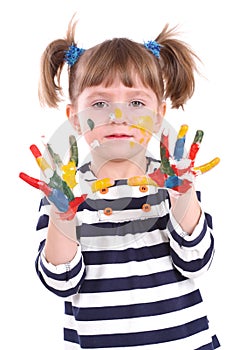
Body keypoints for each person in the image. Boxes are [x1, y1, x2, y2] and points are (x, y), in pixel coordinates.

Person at [30, 16, 220, 349]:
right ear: (74, 117)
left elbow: (197, 261)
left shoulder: (173, 183)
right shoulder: (63, 193)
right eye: (100, 103)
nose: (118, 116)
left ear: (159, 115)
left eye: (136, 103)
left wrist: (183, 198)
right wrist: (64, 221)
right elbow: (60, 283)